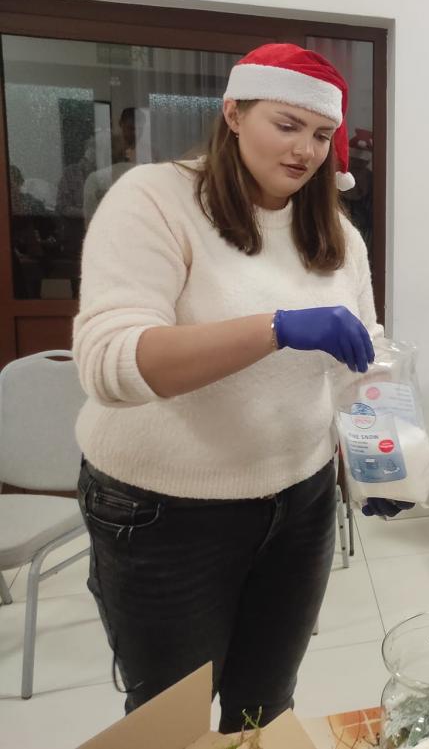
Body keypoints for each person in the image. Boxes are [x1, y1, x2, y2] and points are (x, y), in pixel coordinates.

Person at [73, 43, 375, 731]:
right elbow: (111, 365)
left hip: (299, 501)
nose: (304, 150)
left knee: (265, 705)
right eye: (286, 124)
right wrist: (276, 327)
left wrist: (374, 457)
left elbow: (361, 360)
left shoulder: (335, 233)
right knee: (170, 721)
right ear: (233, 113)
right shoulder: (156, 201)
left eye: (320, 134)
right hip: (164, 511)